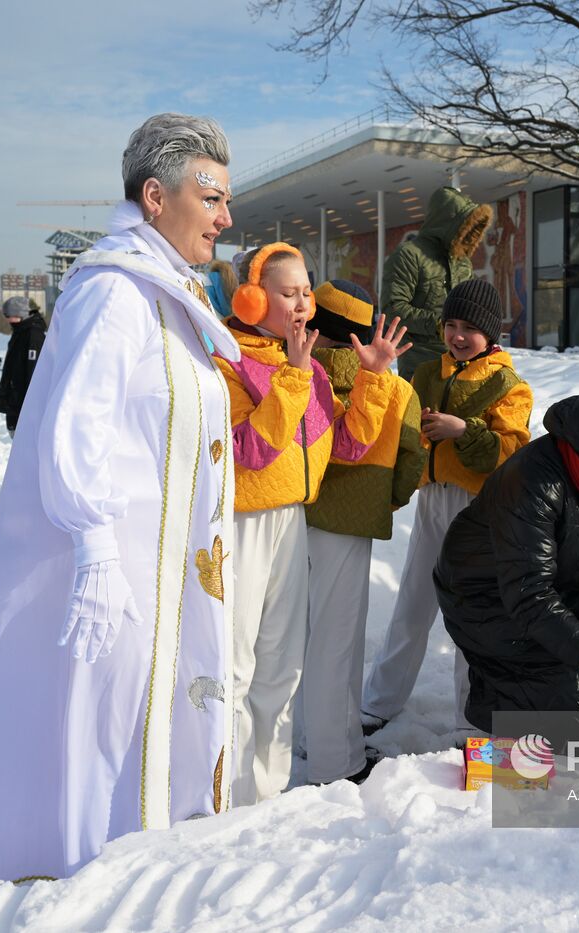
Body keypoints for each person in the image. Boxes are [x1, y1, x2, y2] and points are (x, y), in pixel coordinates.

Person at [0, 113, 245, 887]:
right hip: (117, 568)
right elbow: (75, 423)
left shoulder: (168, 294)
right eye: (213, 197)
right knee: (99, 728)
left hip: (167, 568)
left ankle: (141, 870)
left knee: (144, 723)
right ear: (156, 197)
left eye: (230, 199)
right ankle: (89, 878)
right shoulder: (114, 293)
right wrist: (95, 543)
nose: (227, 218)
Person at [220, 244, 406, 805]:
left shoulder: (310, 368)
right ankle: (228, 794)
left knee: (281, 665)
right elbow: (248, 451)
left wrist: (372, 380)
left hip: (292, 519)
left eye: (306, 291)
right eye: (287, 293)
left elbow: (344, 446)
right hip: (245, 523)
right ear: (253, 300)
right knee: (237, 665)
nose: (302, 304)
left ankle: (269, 792)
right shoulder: (230, 360)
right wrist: (295, 378)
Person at [435, 355, 579, 730]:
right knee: (564, 695)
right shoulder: (534, 480)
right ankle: (492, 751)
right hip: (485, 593)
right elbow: (527, 592)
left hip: (559, 583)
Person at [362, 279, 533, 733]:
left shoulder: (507, 383)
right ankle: (380, 700)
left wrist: (465, 431)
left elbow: (511, 453)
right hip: (432, 501)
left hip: (478, 510)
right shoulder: (426, 373)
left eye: (469, 328)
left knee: (472, 610)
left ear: (491, 334)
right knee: (413, 602)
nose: (457, 336)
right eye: (450, 324)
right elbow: (402, 431)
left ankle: (472, 718)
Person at [301, 279, 426, 785]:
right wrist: (384, 500)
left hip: (289, 518)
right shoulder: (395, 389)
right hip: (347, 528)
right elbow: (410, 467)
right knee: (338, 642)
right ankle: (337, 760)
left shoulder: (297, 374)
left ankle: (308, 738)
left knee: (298, 637)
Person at [381, 186, 492, 378]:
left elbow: (473, 302)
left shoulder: (461, 259)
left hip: (462, 359)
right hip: (421, 362)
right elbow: (393, 307)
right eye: (464, 226)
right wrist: (439, 325)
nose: (467, 233)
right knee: (422, 408)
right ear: (448, 223)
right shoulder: (409, 254)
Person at [0, 296, 48, 436]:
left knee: (23, 442)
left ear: (20, 314)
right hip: (15, 401)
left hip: (23, 404)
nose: (8, 320)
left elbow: (33, 373)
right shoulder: (20, 332)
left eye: (9, 315)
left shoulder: (33, 335)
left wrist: (30, 407)